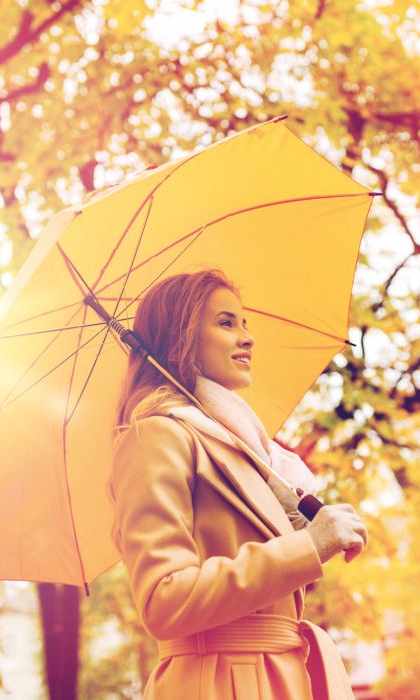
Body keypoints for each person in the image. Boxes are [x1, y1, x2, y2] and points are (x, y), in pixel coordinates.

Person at [107, 268, 368, 699]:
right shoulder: (155, 436)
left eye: (244, 323)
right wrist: (309, 547)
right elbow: (163, 599)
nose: (247, 337)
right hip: (220, 683)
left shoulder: (242, 445)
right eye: (226, 323)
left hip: (279, 678)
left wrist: (312, 532)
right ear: (182, 336)